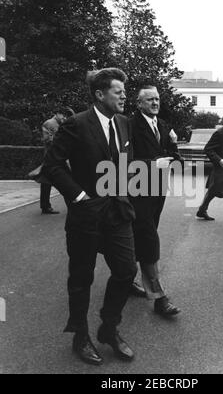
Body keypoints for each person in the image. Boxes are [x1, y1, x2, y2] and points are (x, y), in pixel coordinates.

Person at [43, 68, 137, 366]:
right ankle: (80, 336)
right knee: (81, 279)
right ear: (99, 94)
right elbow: (53, 166)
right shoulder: (76, 124)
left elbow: (125, 163)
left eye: (124, 91)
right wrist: (79, 196)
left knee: (126, 271)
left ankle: (108, 328)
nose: (124, 95)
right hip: (87, 215)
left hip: (117, 213)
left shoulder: (123, 123)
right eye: (118, 91)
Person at [129, 85, 181, 316]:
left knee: (138, 237)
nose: (155, 103)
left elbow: (174, 158)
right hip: (136, 192)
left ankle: (127, 279)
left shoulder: (162, 126)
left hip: (157, 192)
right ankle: (159, 298)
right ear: (139, 103)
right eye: (150, 100)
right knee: (149, 240)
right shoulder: (129, 125)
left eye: (157, 99)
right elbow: (122, 159)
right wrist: (153, 164)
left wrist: (174, 145)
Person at [40, 112, 66, 214]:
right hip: (52, 158)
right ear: (58, 113)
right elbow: (48, 140)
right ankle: (46, 206)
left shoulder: (59, 124)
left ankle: (45, 206)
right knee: (62, 182)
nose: (64, 118)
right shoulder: (50, 123)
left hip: (54, 157)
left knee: (46, 183)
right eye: (63, 115)